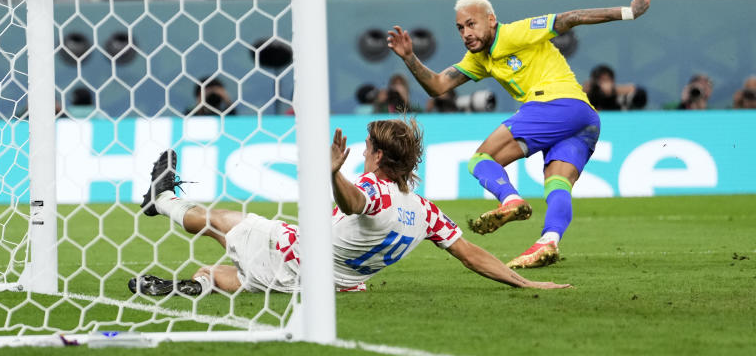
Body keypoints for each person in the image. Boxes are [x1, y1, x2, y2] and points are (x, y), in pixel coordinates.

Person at [130, 122, 571, 295]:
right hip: (332, 286)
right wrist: (524, 283)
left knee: (223, 222)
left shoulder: (369, 189)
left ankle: (162, 198)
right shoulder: (425, 212)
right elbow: (470, 253)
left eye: (367, 149)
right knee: (237, 274)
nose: (363, 153)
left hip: (296, 253)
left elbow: (357, 202)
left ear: (378, 157)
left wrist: (332, 174)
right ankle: (197, 286)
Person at [386, 0, 652, 267]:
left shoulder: (516, 32)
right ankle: (548, 241)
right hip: (585, 118)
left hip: (555, 104)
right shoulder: (479, 59)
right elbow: (438, 86)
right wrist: (409, 58)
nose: (465, 33)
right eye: (460, 28)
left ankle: (511, 199)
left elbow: (571, 18)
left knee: (481, 159)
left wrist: (629, 12)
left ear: (491, 20)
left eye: (471, 24)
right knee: (557, 184)